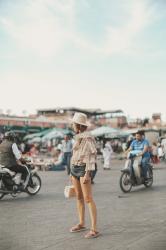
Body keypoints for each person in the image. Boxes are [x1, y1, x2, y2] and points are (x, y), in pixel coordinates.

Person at [70, 112, 100, 239]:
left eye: (73, 123)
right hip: (74, 168)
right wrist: (70, 172)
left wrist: (88, 173)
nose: (72, 125)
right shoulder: (77, 136)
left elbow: (92, 156)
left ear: (78, 125)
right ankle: (82, 223)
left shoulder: (88, 138)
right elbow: (74, 154)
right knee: (78, 197)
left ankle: (94, 229)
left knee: (88, 198)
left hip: (83, 169)